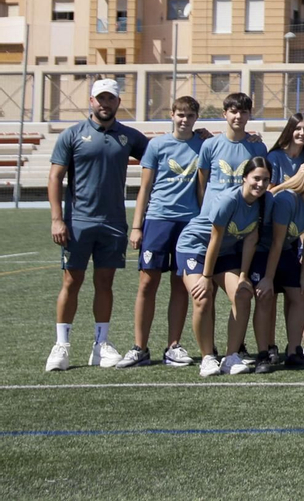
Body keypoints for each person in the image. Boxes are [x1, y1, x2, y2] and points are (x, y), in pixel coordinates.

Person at [46, 77, 151, 372]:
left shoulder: (129, 137)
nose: (105, 104)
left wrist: (200, 135)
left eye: (111, 99)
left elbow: (161, 155)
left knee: (105, 283)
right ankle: (62, 345)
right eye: (100, 98)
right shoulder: (73, 135)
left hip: (114, 223)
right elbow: (55, 177)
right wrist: (57, 219)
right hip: (77, 222)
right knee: (71, 281)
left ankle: (100, 345)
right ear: (91, 101)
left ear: (119, 102)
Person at [119, 95, 201, 368]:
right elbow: (144, 188)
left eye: (189, 116)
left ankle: (173, 347)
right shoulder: (156, 145)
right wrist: (137, 226)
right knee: (147, 283)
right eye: (180, 114)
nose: (184, 120)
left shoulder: (203, 145)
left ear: (195, 119)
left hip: (189, 223)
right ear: (172, 115)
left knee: (180, 285)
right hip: (157, 220)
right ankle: (139, 348)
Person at [177, 156, 270, 377]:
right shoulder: (228, 200)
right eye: (256, 178)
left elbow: (250, 240)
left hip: (226, 252)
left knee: (243, 294)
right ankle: (208, 358)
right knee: (203, 296)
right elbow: (214, 240)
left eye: (266, 180)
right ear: (244, 177)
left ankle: (231, 357)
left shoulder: (264, 202)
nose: (260, 184)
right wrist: (207, 277)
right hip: (196, 247)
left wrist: (244, 275)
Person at [249, 157, 304, 372]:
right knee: (265, 296)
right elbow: (276, 241)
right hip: (262, 251)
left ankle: (294, 352)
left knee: (301, 295)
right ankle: (262, 355)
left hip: (286, 250)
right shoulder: (287, 200)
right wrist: (268, 278)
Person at [195, 92, 267, 205]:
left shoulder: (258, 147)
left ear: (249, 115)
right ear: (224, 114)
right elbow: (201, 186)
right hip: (213, 212)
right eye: (233, 112)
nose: (238, 116)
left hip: (242, 213)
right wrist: (203, 211)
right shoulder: (209, 145)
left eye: (243, 112)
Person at [265, 113, 304, 186]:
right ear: (290, 130)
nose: (302, 133)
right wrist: (297, 178)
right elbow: (269, 191)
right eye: (298, 129)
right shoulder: (274, 157)